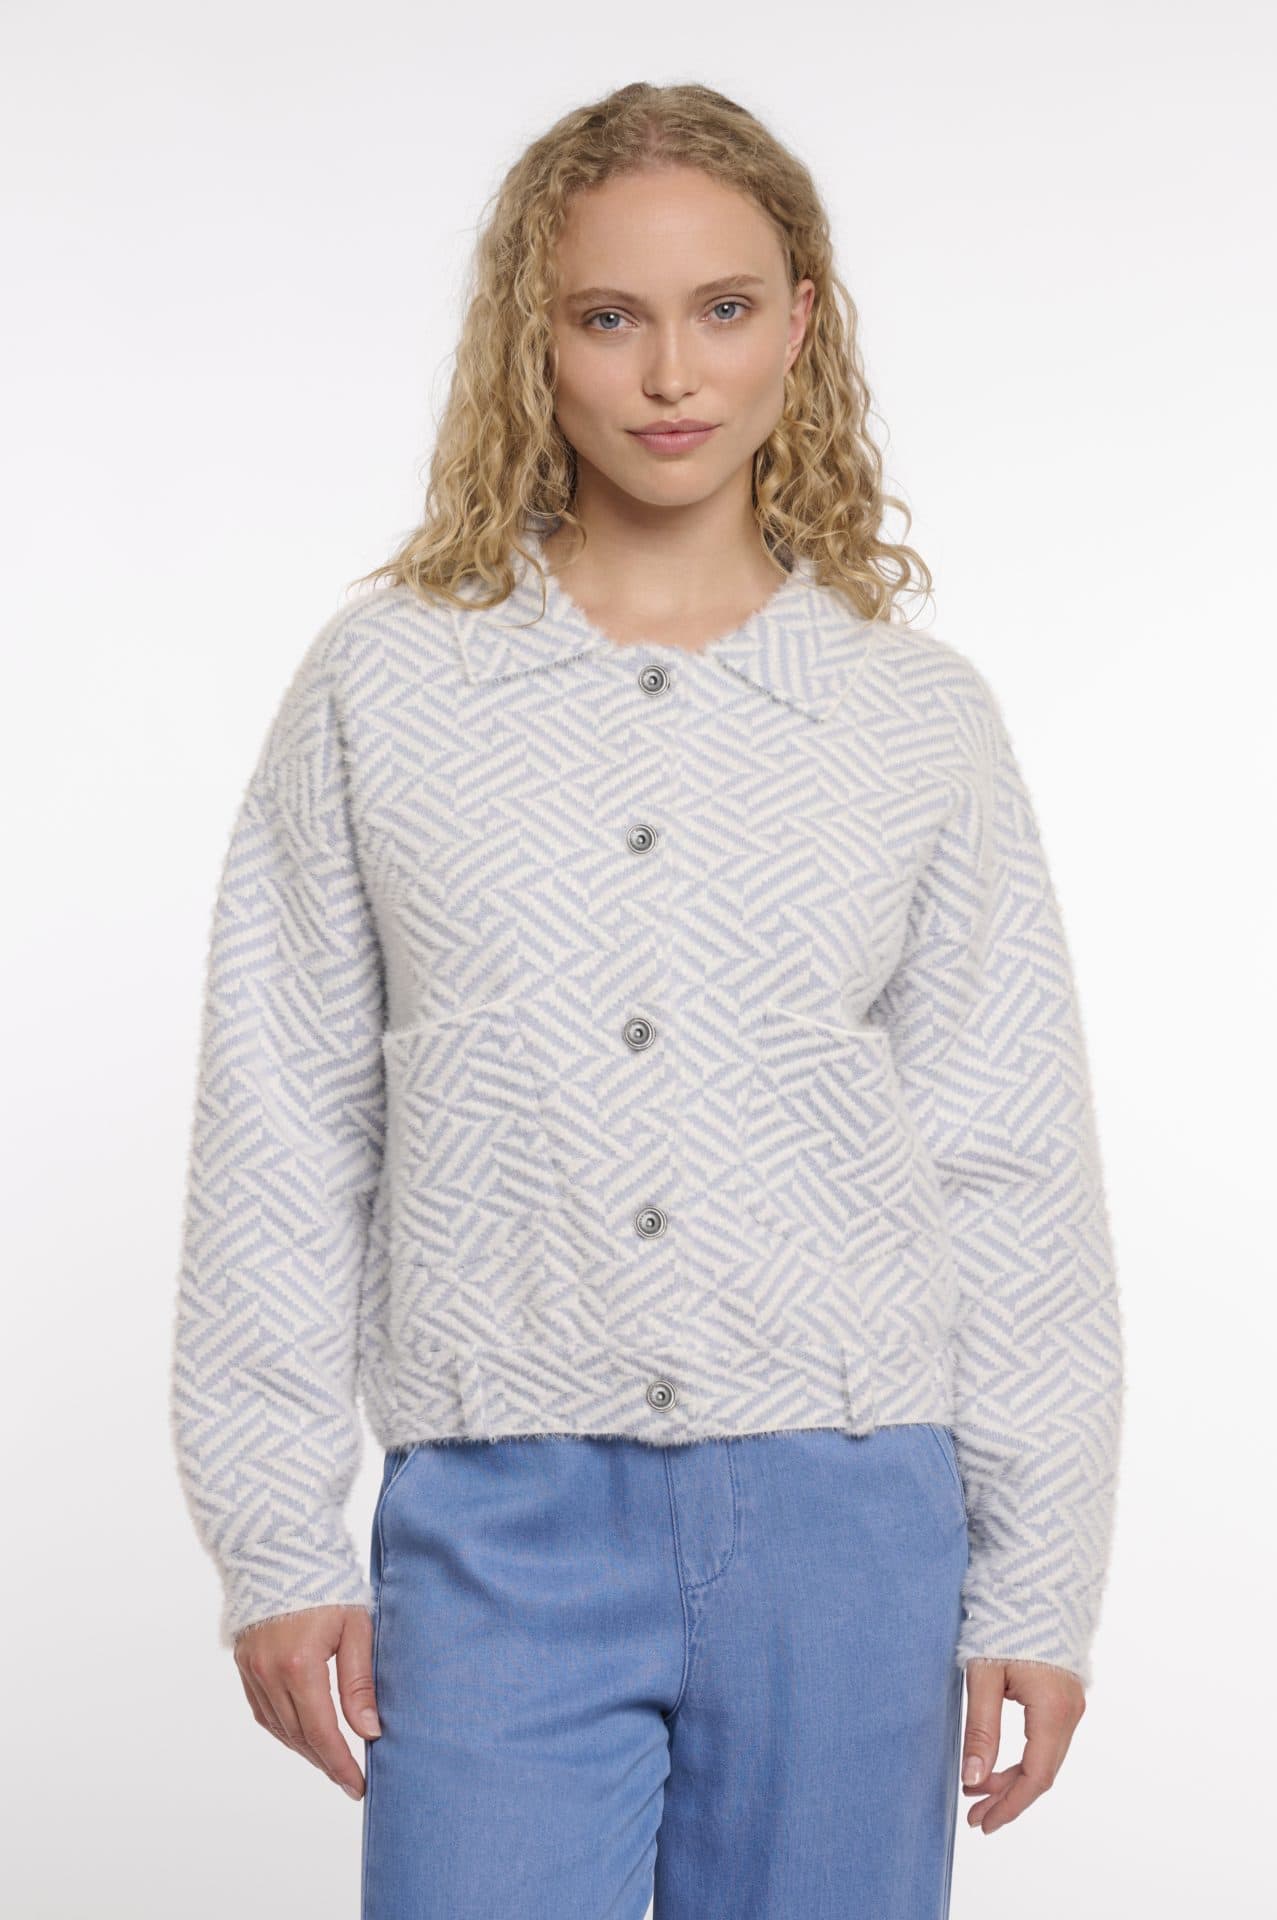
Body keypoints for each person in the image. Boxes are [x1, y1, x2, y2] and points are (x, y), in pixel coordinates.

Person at [169, 79, 1125, 1919]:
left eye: (724, 308)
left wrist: (1036, 1579)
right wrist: (276, 1536)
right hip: (498, 1525)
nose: (670, 374)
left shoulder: (909, 715)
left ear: (800, 323)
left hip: (849, 1525)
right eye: (608, 316)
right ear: (531, 341)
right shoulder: (388, 687)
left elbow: (1007, 1164)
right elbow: (284, 1125)